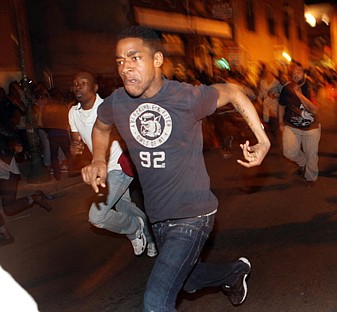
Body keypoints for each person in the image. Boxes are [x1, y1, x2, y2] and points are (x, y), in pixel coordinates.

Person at [81, 26, 270, 311]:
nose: (126, 68)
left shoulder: (185, 97)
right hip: (158, 215)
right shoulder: (118, 101)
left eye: (134, 58)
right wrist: (97, 158)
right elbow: (101, 127)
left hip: (194, 213)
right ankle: (233, 273)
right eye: (120, 61)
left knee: (156, 302)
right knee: (188, 280)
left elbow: (232, 91)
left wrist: (263, 140)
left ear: (157, 60)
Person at [69, 70, 156, 257]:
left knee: (97, 216)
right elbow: (77, 140)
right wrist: (75, 147)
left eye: (83, 83)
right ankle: (149, 237)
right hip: (101, 170)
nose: (77, 86)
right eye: (75, 83)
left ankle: (134, 229)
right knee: (125, 207)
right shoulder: (73, 112)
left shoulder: (107, 107)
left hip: (118, 166)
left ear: (95, 87)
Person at [0, 99, 51, 244]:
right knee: (8, 208)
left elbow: (10, 132)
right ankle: (6, 235)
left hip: (5, 165)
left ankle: (35, 197)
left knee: (9, 208)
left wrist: (15, 145)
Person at [278, 61, 320, 187]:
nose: (295, 74)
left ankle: (311, 178)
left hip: (311, 127)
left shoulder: (312, 87)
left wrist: (299, 94)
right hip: (291, 125)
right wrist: (280, 122)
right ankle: (303, 163)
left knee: (311, 154)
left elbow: (314, 109)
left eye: (298, 72)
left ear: (305, 74)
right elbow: (281, 105)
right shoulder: (286, 88)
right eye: (293, 72)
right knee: (289, 152)